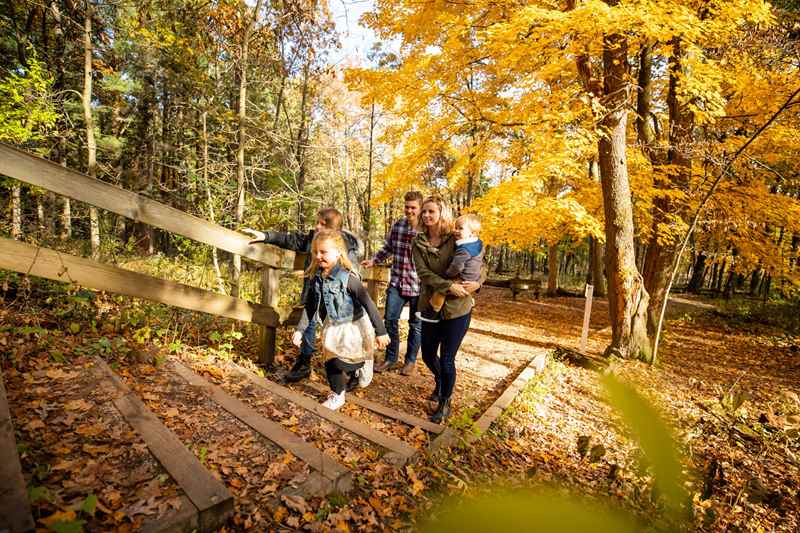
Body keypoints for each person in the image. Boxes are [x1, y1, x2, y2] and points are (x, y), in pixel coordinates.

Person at [242, 208, 363, 382]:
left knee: (341, 333)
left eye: (322, 224)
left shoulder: (345, 246)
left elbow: (354, 273)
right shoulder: (312, 239)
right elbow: (290, 240)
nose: (316, 226)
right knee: (308, 325)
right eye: (317, 222)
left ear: (333, 229)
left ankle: (352, 370)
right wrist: (265, 236)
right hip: (315, 294)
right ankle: (304, 364)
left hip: (338, 300)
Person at [301, 230, 389, 410]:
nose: (318, 256)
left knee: (346, 362)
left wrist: (381, 332)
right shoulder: (316, 278)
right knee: (331, 359)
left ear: (338, 252)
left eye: (323, 252)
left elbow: (369, 304)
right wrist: (299, 330)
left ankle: (363, 364)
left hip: (354, 325)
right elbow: (310, 306)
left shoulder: (348, 278)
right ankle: (337, 394)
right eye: (315, 252)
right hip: (332, 326)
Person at [412, 196, 481, 423]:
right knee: (428, 354)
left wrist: (478, 283)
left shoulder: (458, 238)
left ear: (442, 213)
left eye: (431, 211)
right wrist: (448, 285)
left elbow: (481, 263)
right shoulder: (418, 242)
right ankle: (441, 381)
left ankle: (445, 401)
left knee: (448, 357)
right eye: (424, 212)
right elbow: (424, 274)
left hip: (457, 308)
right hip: (431, 305)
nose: (426, 216)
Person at [361, 191, 423, 375]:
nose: (409, 211)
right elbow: (388, 248)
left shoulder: (426, 229)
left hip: (418, 286)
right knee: (390, 321)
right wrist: (374, 260)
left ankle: (410, 361)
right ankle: (391, 358)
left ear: (420, 208)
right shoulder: (398, 225)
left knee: (415, 325)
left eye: (413, 207)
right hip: (397, 282)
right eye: (407, 207)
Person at [418, 213, 484, 323]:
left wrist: (478, 283)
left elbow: (459, 266)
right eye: (456, 228)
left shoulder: (462, 247)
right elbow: (422, 271)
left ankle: (433, 312)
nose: (456, 231)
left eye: (460, 228)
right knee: (446, 287)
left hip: (462, 287)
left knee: (442, 291)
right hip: (468, 277)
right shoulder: (475, 243)